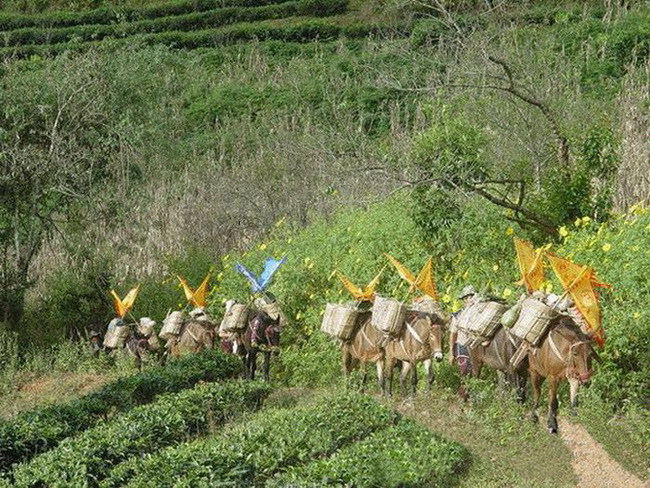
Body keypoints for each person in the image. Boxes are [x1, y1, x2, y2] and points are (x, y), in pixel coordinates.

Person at [448, 285, 477, 375]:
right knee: (465, 372)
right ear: (464, 300)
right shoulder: (458, 315)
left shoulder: (480, 312)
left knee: (474, 373)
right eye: (468, 298)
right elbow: (453, 334)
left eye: (472, 297)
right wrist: (451, 353)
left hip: (475, 347)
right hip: (463, 346)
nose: (470, 299)